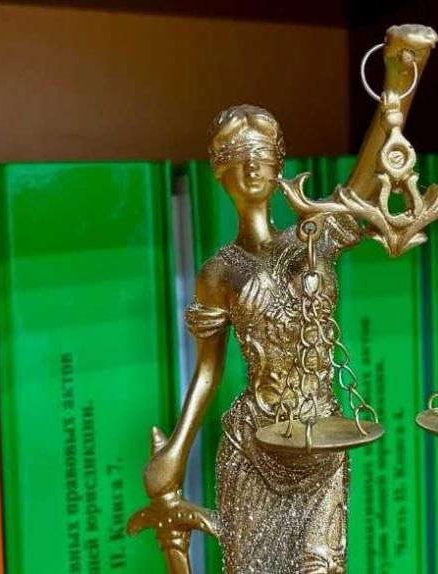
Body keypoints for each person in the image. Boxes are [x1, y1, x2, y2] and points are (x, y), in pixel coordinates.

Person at [141, 104, 363, 574]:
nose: (252, 168)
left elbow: (365, 185)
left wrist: (393, 102)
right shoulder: (219, 273)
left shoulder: (313, 239)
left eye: (261, 156)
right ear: (220, 175)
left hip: (321, 444)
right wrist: (177, 450)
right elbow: (208, 371)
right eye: (238, 159)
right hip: (254, 448)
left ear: (279, 165)